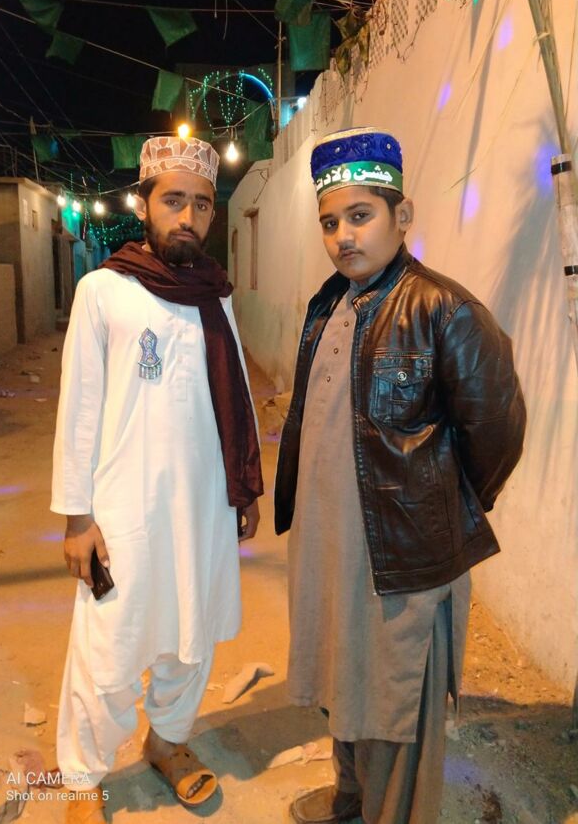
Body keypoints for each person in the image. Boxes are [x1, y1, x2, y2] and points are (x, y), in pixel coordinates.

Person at [274, 127, 526, 824]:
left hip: (400, 559)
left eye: (360, 216)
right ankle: (353, 799)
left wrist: (433, 510)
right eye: (330, 222)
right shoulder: (331, 303)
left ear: (402, 215)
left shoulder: (445, 310)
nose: (343, 236)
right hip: (332, 549)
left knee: (391, 698)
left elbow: (497, 429)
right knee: (342, 683)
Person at [51, 135, 263, 824]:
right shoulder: (102, 291)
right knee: (108, 646)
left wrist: (243, 488)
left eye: (201, 204)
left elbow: (236, 395)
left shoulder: (216, 296)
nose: (188, 217)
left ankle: (167, 741)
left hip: (202, 504)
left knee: (190, 634)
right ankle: (82, 776)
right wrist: (77, 517)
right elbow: (79, 409)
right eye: (174, 200)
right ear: (143, 204)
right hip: (125, 509)